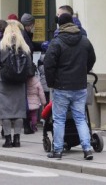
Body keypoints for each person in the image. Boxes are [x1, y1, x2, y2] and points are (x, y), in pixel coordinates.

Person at [44, 13, 96, 160]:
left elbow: (49, 64)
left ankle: (58, 150)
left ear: (59, 25)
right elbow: (92, 59)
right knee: (80, 118)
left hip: (61, 87)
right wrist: (83, 71)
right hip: (79, 86)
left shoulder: (57, 42)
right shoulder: (84, 41)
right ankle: (87, 148)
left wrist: (51, 83)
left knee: (59, 119)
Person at [0, 20, 32, 148]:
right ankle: (17, 139)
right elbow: (29, 65)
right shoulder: (25, 47)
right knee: (18, 111)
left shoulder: (1, 45)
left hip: (4, 82)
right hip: (19, 83)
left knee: (5, 112)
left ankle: (8, 140)